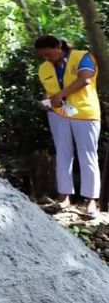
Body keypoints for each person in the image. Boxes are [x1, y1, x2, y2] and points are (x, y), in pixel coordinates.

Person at [34, 35, 101, 216]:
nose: (47, 58)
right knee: (63, 154)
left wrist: (61, 95)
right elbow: (48, 90)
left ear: (58, 47)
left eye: (49, 54)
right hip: (58, 114)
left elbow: (85, 78)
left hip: (86, 113)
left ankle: (91, 201)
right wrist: (47, 102)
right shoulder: (44, 67)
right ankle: (64, 198)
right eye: (43, 56)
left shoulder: (82, 56)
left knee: (87, 155)